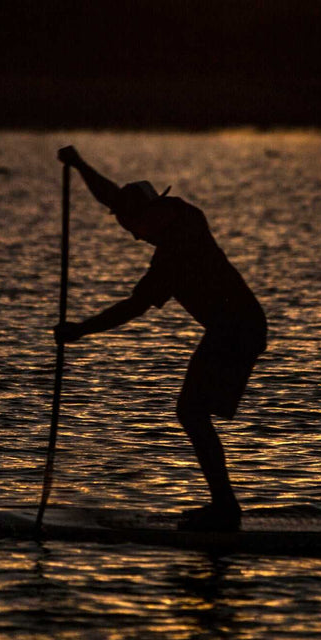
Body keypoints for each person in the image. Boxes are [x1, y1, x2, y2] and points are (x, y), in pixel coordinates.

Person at [54, 145, 267, 532]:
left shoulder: (175, 251)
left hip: (239, 329)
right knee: (192, 413)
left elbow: (133, 306)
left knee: (191, 413)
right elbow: (112, 195)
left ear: (149, 217)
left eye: (133, 228)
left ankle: (226, 509)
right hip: (230, 327)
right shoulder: (178, 215)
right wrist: (80, 163)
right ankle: (225, 506)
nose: (134, 238)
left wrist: (80, 331)